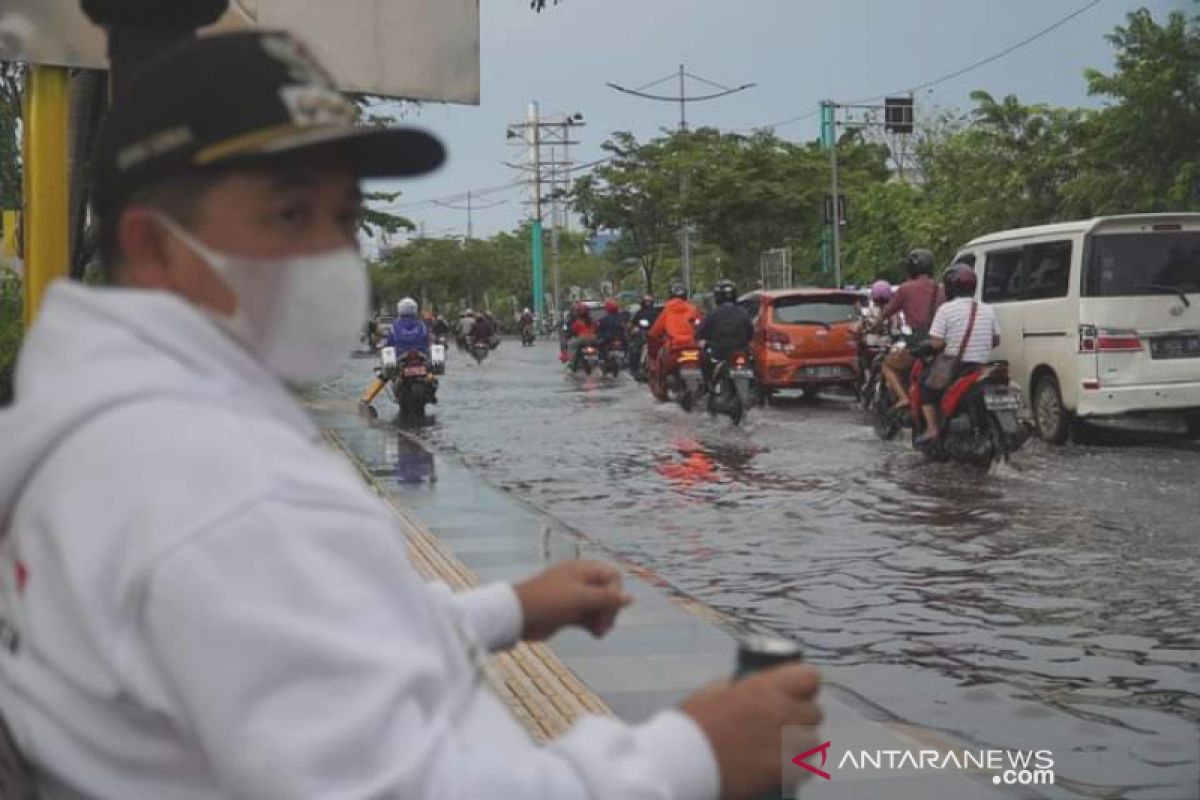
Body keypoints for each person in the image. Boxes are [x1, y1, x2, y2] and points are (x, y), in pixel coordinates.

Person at [0, 31, 821, 799]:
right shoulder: (222, 495)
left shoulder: (97, 427)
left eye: (345, 218)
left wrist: (508, 610)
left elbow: (297, 636)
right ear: (154, 246)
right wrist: (693, 751)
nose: (332, 252)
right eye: (292, 213)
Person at [916, 263, 1001, 443]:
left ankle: (932, 428)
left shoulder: (946, 309)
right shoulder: (988, 309)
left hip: (956, 367)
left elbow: (937, 343)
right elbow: (996, 340)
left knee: (924, 383)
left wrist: (924, 347)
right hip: (980, 367)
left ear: (950, 287)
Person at [880, 249, 945, 407]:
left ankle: (903, 397)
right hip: (939, 345)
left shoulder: (906, 289)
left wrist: (874, 323)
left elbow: (886, 313)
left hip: (917, 345)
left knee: (887, 365)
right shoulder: (941, 289)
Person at [360, 297, 433, 407]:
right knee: (430, 371)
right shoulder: (422, 325)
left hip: (401, 357)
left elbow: (390, 342)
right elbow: (427, 341)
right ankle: (431, 390)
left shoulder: (395, 325)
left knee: (384, 375)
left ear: (400, 309)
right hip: (421, 356)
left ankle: (365, 401)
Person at [696, 279, 753, 386]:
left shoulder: (713, 315)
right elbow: (750, 333)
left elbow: (702, 332)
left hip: (721, 353)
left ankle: (707, 386)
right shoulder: (743, 313)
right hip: (741, 350)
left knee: (704, 359)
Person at [648, 282, 703, 371]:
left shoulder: (667, 311)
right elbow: (699, 324)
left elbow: (654, 332)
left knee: (661, 365)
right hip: (693, 347)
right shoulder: (693, 310)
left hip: (674, 348)